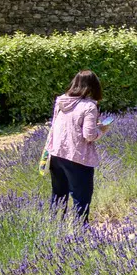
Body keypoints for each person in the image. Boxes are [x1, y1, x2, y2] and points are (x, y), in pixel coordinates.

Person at [46, 70, 106, 222]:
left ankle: (54, 228)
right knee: (81, 198)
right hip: (78, 157)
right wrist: (102, 130)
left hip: (56, 154)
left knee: (58, 196)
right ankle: (81, 233)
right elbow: (88, 135)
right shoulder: (89, 106)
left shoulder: (61, 101)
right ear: (94, 86)